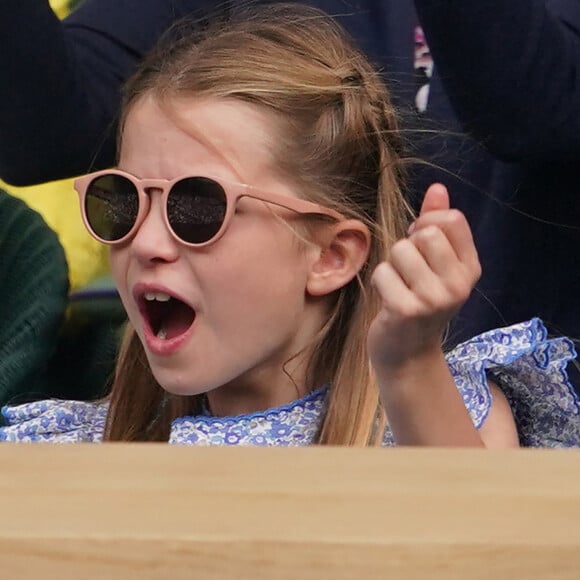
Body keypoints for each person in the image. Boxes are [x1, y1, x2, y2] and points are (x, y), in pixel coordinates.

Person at [0, 4, 578, 447]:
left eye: (198, 208)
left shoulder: (440, 418)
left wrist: (409, 364)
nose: (146, 242)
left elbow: (480, 557)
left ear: (330, 256)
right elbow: (49, 118)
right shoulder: (60, 449)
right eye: (122, 201)